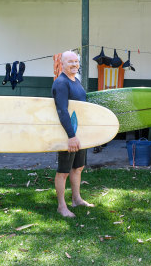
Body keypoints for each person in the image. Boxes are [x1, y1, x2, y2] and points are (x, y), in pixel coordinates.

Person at [52, 50, 94, 217]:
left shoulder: (75, 80)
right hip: (68, 134)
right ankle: (61, 206)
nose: (75, 64)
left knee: (78, 167)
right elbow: (62, 111)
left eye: (76, 61)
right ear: (62, 63)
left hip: (78, 133)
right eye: (70, 62)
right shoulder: (61, 83)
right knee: (63, 171)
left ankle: (76, 199)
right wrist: (71, 136)